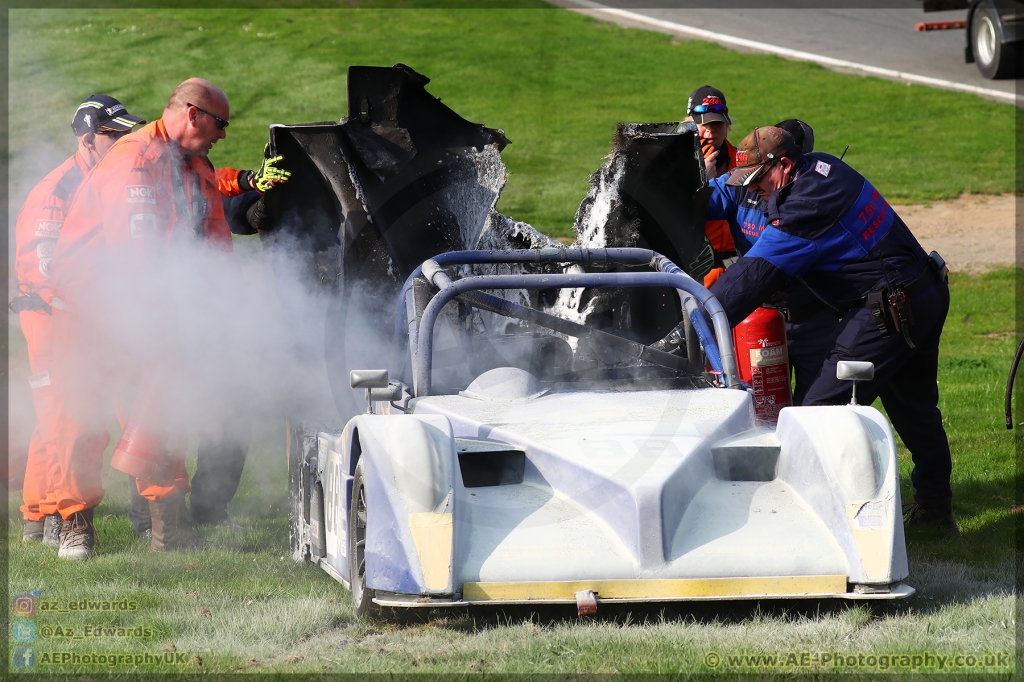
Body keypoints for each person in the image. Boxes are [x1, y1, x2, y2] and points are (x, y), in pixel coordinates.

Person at [44, 78, 288, 558]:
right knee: (83, 421)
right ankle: (74, 524)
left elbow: (215, 241)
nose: (223, 135)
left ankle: (166, 531)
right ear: (194, 114)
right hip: (89, 305)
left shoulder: (197, 165)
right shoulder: (134, 160)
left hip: (149, 300)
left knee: (162, 409)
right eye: (220, 124)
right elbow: (135, 256)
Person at [709, 126, 957, 533]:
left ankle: (813, 524)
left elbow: (750, 280)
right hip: (921, 292)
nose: (752, 192)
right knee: (916, 412)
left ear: (784, 165)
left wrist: (696, 323)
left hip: (890, 309)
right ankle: (935, 510)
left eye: (757, 182)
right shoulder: (823, 168)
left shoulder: (809, 206)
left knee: (816, 416)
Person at [10, 95, 145, 547]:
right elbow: (43, 271)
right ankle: (72, 523)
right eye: (116, 135)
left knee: (54, 419)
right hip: (55, 318)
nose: (126, 141)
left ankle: (38, 515)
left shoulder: (110, 179)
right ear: (88, 140)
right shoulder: (57, 191)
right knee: (73, 418)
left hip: (86, 313)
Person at [704, 119, 839, 405]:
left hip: (814, 321)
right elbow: (698, 203)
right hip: (759, 321)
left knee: (817, 412)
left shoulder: (818, 199)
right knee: (760, 410)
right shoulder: (741, 186)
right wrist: (698, 177)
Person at [683, 85, 738, 288]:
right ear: (690, 123)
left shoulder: (745, 162)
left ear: (727, 126)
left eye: (717, 124)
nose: (710, 131)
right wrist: (699, 179)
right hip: (695, 274)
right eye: (704, 124)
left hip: (738, 271)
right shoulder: (675, 165)